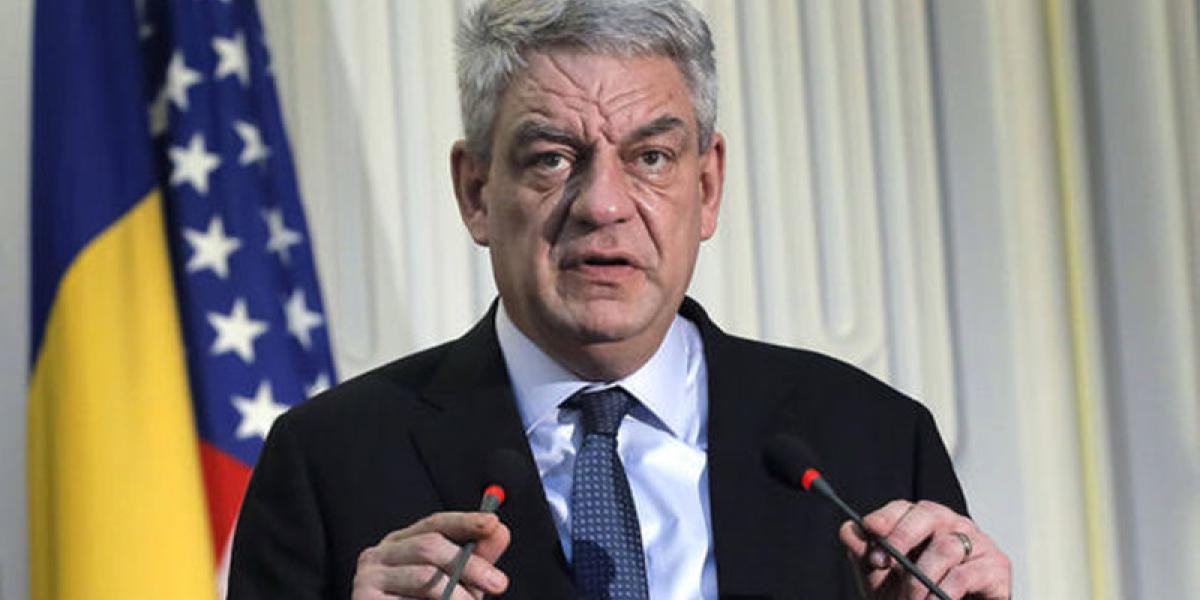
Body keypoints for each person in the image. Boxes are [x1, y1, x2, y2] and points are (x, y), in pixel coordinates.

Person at [228, 0, 1012, 598]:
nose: (603, 204)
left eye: (651, 157)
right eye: (551, 158)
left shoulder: (870, 441)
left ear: (707, 187)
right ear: (475, 192)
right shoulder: (328, 462)